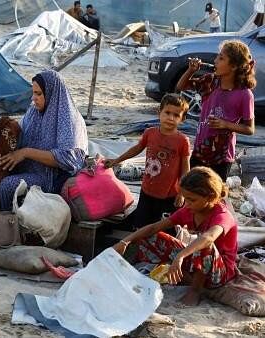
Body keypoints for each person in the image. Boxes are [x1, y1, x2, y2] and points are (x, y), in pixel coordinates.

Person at [113, 167, 238, 306]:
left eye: (192, 200)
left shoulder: (222, 215)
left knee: (204, 244)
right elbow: (154, 227)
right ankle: (184, 276)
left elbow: (209, 237)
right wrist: (124, 242)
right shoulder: (189, 211)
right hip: (195, 262)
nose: (187, 204)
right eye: (186, 199)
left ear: (210, 197)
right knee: (151, 236)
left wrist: (180, 256)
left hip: (218, 273)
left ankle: (195, 290)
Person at [0, 70, 88, 210]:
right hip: (29, 169)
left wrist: (26, 152)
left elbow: (67, 159)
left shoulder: (68, 119)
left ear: (51, 92)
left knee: (7, 186)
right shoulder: (34, 112)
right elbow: (20, 133)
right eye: (33, 93)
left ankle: (11, 225)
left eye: (38, 94)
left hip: (51, 179)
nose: (34, 98)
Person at [105, 94, 190, 230]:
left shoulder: (182, 141)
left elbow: (186, 168)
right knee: (141, 225)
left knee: (164, 229)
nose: (170, 118)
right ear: (159, 112)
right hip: (147, 190)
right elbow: (136, 149)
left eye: (176, 115)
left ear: (182, 119)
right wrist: (116, 160)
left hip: (169, 195)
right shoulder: (150, 133)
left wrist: (182, 192)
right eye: (167, 113)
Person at [176, 40, 256, 181]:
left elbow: (250, 129)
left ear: (234, 66)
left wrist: (226, 125)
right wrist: (191, 70)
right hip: (200, 150)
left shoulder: (244, 94)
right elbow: (181, 86)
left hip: (222, 157)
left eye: (221, 58)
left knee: (213, 195)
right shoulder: (210, 81)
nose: (215, 61)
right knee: (193, 189)